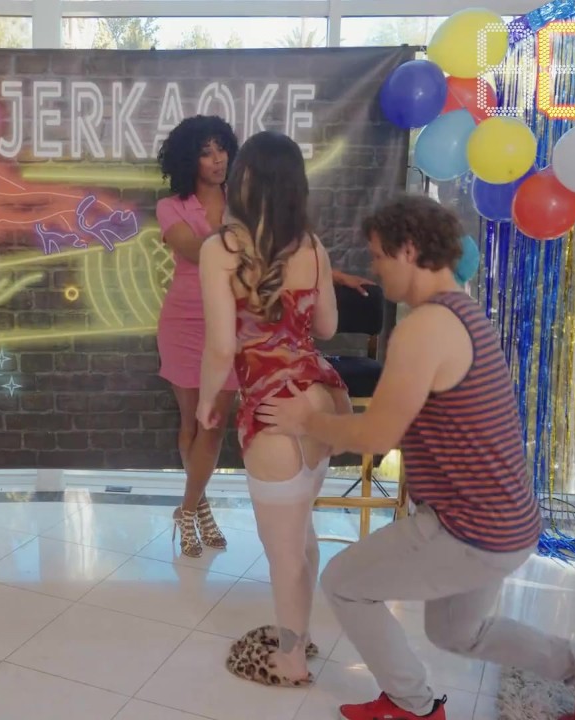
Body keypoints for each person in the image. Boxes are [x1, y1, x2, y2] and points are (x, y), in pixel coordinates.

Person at [256, 194, 575, 720]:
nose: (374, 269)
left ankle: (413, 707)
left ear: (408, 250)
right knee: (458, 632)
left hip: (470, 529)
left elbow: (376, 434)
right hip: (506, 522)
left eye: (378, 255)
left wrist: (307, 420)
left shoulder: (425, 328)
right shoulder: (462, 312)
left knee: (344, 586)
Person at [196, 131, 351, 686]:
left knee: (282, 551)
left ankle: (290, 659)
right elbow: (327, 327)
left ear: (242, 182)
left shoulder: (220, 250)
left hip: (269, 410)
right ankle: (299, 637)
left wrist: (206, 403)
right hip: (321, 402)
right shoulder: (313, 247)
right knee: (301, 535)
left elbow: (221, 347)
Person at [155, 115, 242, 557]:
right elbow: (196, 251)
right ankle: (201, 509)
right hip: (184, 322)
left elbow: (277, 252)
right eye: (206, 152)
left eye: (221, 148)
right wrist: (243, 242)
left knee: (216, 422)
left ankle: (187, 510)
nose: (217, 159)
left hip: (231, 323)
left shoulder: (243, 201)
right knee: (192, 421)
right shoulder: (170, 207)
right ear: (189, 160)